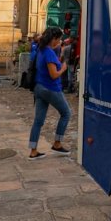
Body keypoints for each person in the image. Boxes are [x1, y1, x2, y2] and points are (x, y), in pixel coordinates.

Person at [27, 27, 71, 159]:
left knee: (38, 121)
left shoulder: (41, 49)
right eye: (58, 39)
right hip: (51, 88)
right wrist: (63, 68)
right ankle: (57, 143)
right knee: (66, 113)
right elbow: (53, 75)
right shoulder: (49, 53)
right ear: (54, 39)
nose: (60, 41)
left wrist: (61, 50)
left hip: (39, 87)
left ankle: (33, 151)